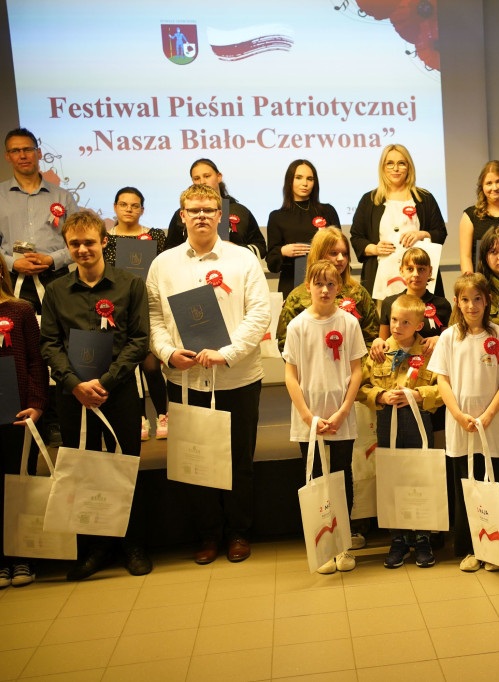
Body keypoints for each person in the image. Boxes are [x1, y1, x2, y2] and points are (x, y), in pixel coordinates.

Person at [148, 183, 271, 565]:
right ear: (182, 216)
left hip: (236, 378)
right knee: (196, 461)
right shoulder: (162, 264)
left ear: (221, 215)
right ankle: (207, 535)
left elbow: (259, 314)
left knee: (239, 462)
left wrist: (227, 353)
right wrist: (168, 353)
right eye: (193, 209)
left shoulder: (243, 260)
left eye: (208, 209)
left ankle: (238, 533)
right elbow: (153, 318)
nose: (201, 215)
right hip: (184, 380)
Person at [39, 211, 151, 580]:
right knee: (84, 471)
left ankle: (132, 543)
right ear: (68, 247)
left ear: (105, 242)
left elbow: (139, 340)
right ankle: (94, 548)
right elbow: (49, 345)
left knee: (124, 467)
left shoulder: (130, 285)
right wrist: (75, 384)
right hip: (74, 397)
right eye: (75, 244)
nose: (83, 250)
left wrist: (106, 380)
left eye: (89, 242)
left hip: (117, 393)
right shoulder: (56, 292)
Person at [427, 274, 499, 572]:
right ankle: (469, 548)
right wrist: (457, 414)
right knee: (465, 486)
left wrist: (490, 413)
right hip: (460, 427)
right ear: (457, 302)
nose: (471, 305)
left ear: (486, 300)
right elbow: (442, 379)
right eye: (465, 299)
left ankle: (492, 548)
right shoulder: (449, 337)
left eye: (477, 298)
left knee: (491, 484)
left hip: (491, 425)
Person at [283, 260, 365, 574]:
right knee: (316, 478)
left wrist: (344, 410)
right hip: (309, 417)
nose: (325, 290)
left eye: (331, 284)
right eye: (319, 284)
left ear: (339, 287)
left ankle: (343, 545)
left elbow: (356, 371)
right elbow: (291, 376)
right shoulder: (297, 326)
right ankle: (323, 546)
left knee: (342, 476)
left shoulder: (349, 323)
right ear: (308, 287)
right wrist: (307, 416)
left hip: (341, 415)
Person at [360, 294, 443, 569]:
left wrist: (419, 395)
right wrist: (380, 397)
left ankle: (422, 537)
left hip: (419, 421)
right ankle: (398, 538)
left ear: (419, 325)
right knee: (392, 477)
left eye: (405, 322)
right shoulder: (379, 351)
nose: (397, 326)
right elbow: (360, 388)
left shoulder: (430, 352)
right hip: (387, 421)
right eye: (394, 320)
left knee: (420, 476)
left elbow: (445, 388)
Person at [102, 187, 170, 441]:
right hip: (117, 311)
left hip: (149, 306)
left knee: (151, 366)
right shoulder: (106, 238)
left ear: (142, 209)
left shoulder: (154, 236)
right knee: (128, 368)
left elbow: (163, 269)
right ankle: (138, 417)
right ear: (115, 207)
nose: (129, 209)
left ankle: (163, 415)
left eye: (135, 205)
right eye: (124, 204)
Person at [0, 256, 47, 587]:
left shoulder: (20, 310)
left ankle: (22, 558)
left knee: (21, 483)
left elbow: (36, 361)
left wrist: (37, 403)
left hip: (19, 413)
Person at [350, 144, 447, 297]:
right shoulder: (369, 200)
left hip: (418, 278)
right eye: (390, 163)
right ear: (383, 167)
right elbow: (356, 237)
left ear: (409, 167)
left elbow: (440, 233)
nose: (395, 168)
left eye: (401, 163)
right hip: (381, 276)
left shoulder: (424, 198)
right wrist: (374, 249)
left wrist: (422, 234)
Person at [1, 128, 79, 313]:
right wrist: (12, 263)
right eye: (15, 151)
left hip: (56, 278)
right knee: (17, 339)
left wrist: (51, 259)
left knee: (60, 337)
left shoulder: (63, 196)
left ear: (39, 153)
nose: (22, 155)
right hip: (9, 281)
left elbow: (78, 243)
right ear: (7, 156)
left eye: (28, 149)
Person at [277, 227, 378, 351]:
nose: (341, 258)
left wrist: (357, 367)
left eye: (345, 253)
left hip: (353, 367)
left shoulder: (358, 293)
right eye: (334, 253)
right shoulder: (297, 297)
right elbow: (286, 345)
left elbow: (371, 339)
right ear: (319, 255)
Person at [164, 158, 267, 260]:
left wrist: (237, 250)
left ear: (219, 176)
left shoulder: (239, 211)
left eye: (207, 176)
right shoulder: (183, 213)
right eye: (196, 178)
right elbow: (169, 250)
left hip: (233, 270)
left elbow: (261, 247)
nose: (202, 181)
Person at [266, 159, 341, 293]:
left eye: (310, 179)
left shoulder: (327, 211)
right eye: (299, 178)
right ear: (290, 181)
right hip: (291, 284)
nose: (305, 183)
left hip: (326, 284)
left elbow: (341, 248)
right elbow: (272, 263)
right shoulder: (277, 216)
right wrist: (283, 251)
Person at [371, 246, 451, 362]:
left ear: (430, 271)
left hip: (430, 367)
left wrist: (441, 339)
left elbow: (449, 344)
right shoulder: (390, 303)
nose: (416, 274)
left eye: (421, 269)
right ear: (401, 270)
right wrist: (378, 341)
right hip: (396, 366)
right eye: (410, 269)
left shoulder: (442, 304)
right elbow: (383, 341)